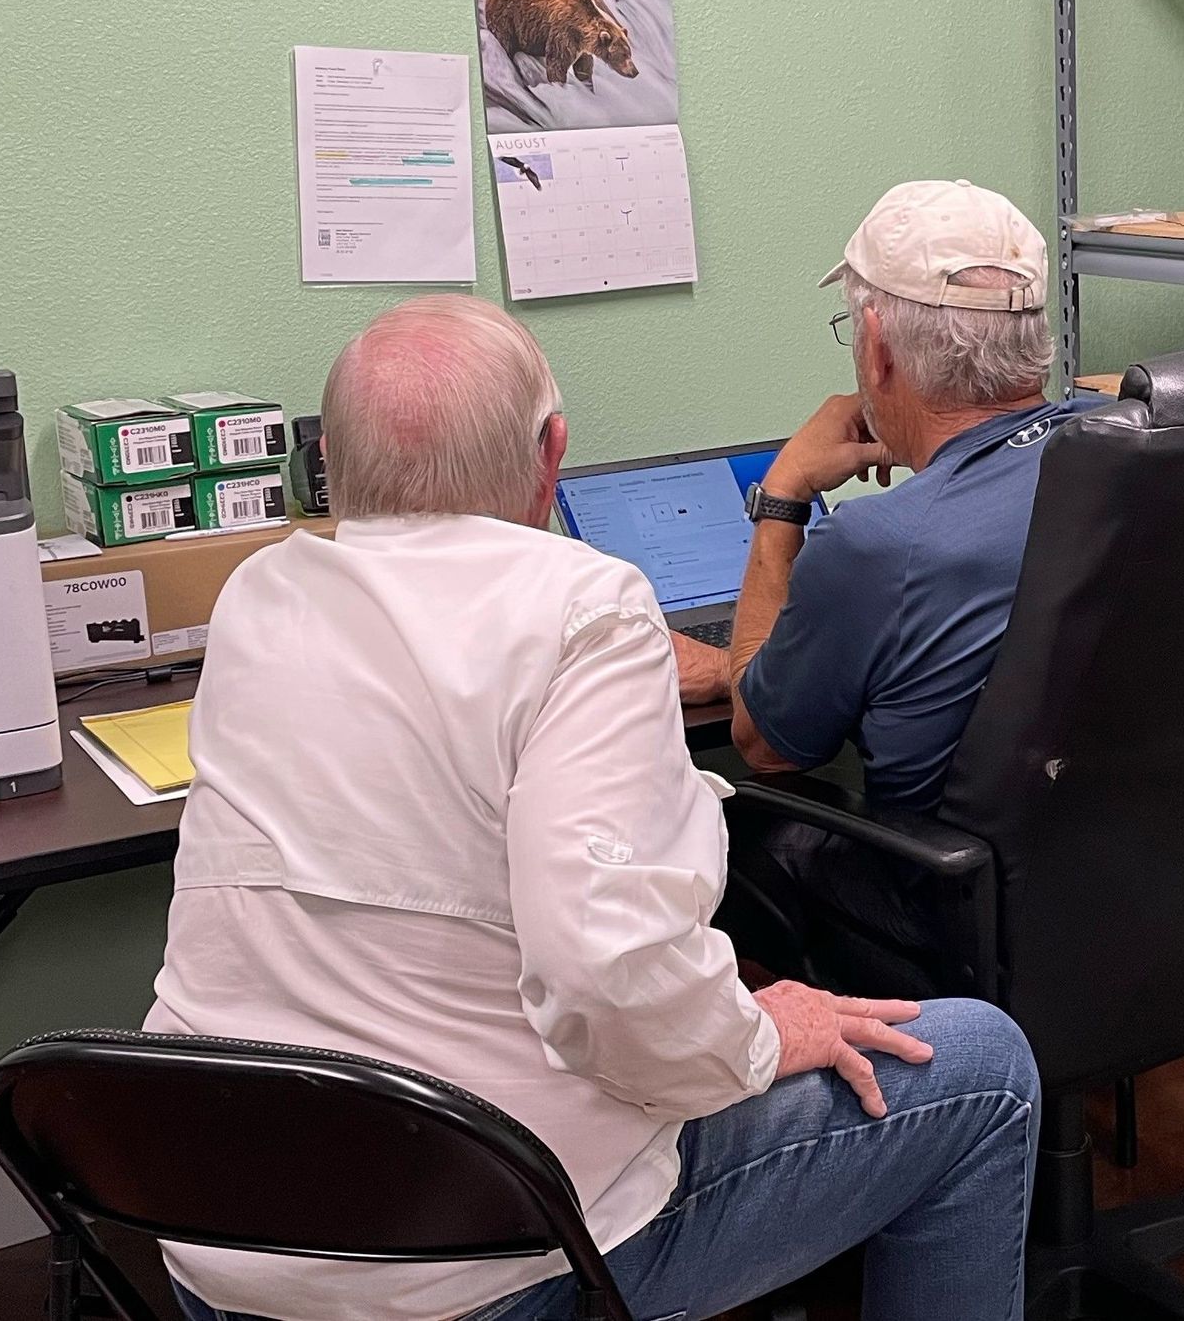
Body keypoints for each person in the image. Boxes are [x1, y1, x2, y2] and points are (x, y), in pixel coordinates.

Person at [143, 294, 1039, 1321]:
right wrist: (759, 1034)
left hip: (218, 1237)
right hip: (487, 1257)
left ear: (332, 463)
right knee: (984, 1069)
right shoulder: (587, 606)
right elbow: (604, 965)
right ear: (550, 454)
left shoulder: (259, 596)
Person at [671, 180, 1090, 957]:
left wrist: (785, 496)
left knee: (717, 816)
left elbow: (763, 742)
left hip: (948, 914)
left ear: (876, 345)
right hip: (1116, 892)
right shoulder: (1130, 453)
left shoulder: (880, 541)